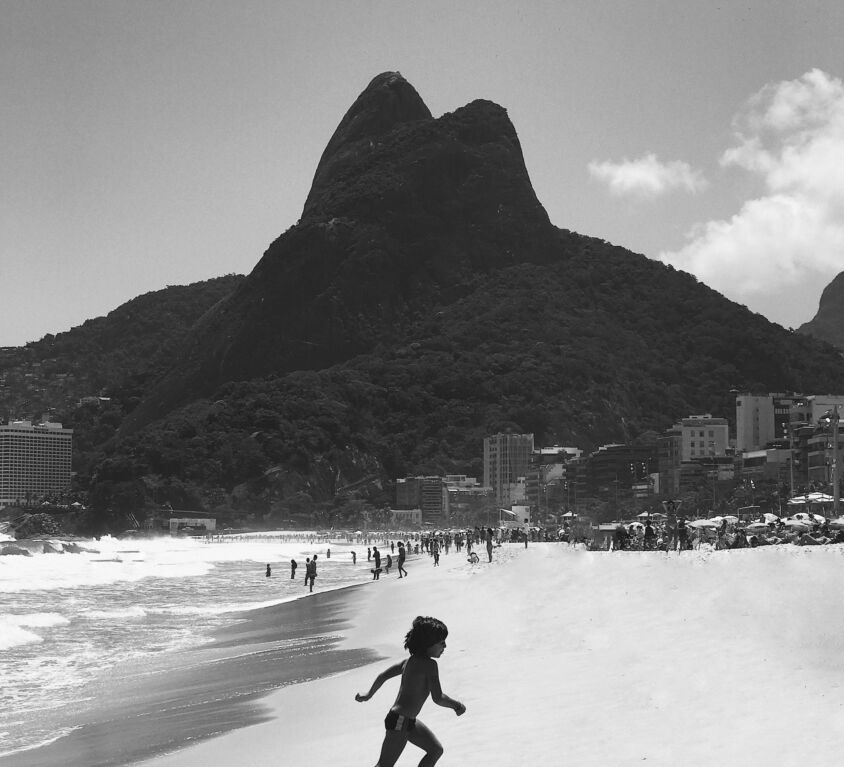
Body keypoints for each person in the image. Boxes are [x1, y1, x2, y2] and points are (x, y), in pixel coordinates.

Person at [355, 616, 465, 767]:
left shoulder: (408, 662)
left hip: (406, 720)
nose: (445, 646)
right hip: (400, 720)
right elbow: (438, 698)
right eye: (441, 642)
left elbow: (383, 676)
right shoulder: (430, 665)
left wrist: (368, 695)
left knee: (435, 750)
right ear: (428, 644)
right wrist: (457, 706)